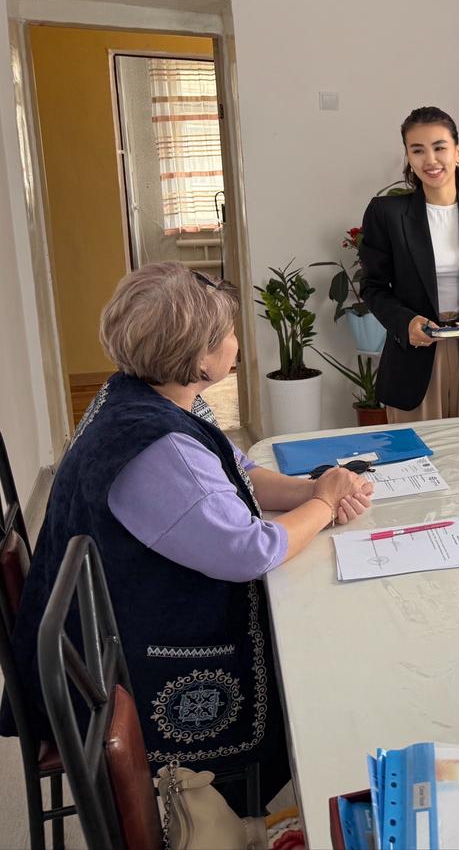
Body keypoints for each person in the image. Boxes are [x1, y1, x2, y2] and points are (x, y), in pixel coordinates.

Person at [0, 263, 374, 812]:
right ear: (199, 358)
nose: (237, 340)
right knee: (314, 661)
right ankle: (279, 804)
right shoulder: (161, 449)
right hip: (118, 669)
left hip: (96, 626)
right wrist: (322, 505)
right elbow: (249, 551)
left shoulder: (141, 394)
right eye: (229, 331)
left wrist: (314, 492)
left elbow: (236, 471)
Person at [360, 106, 459, 420]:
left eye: (439, 148)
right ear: (408, 157)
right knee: (415, 451)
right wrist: (406, 323)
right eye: (418, 150)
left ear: (457, 153)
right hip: (412, 361)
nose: (430, 160)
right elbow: (373, 286)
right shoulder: (386, 214)